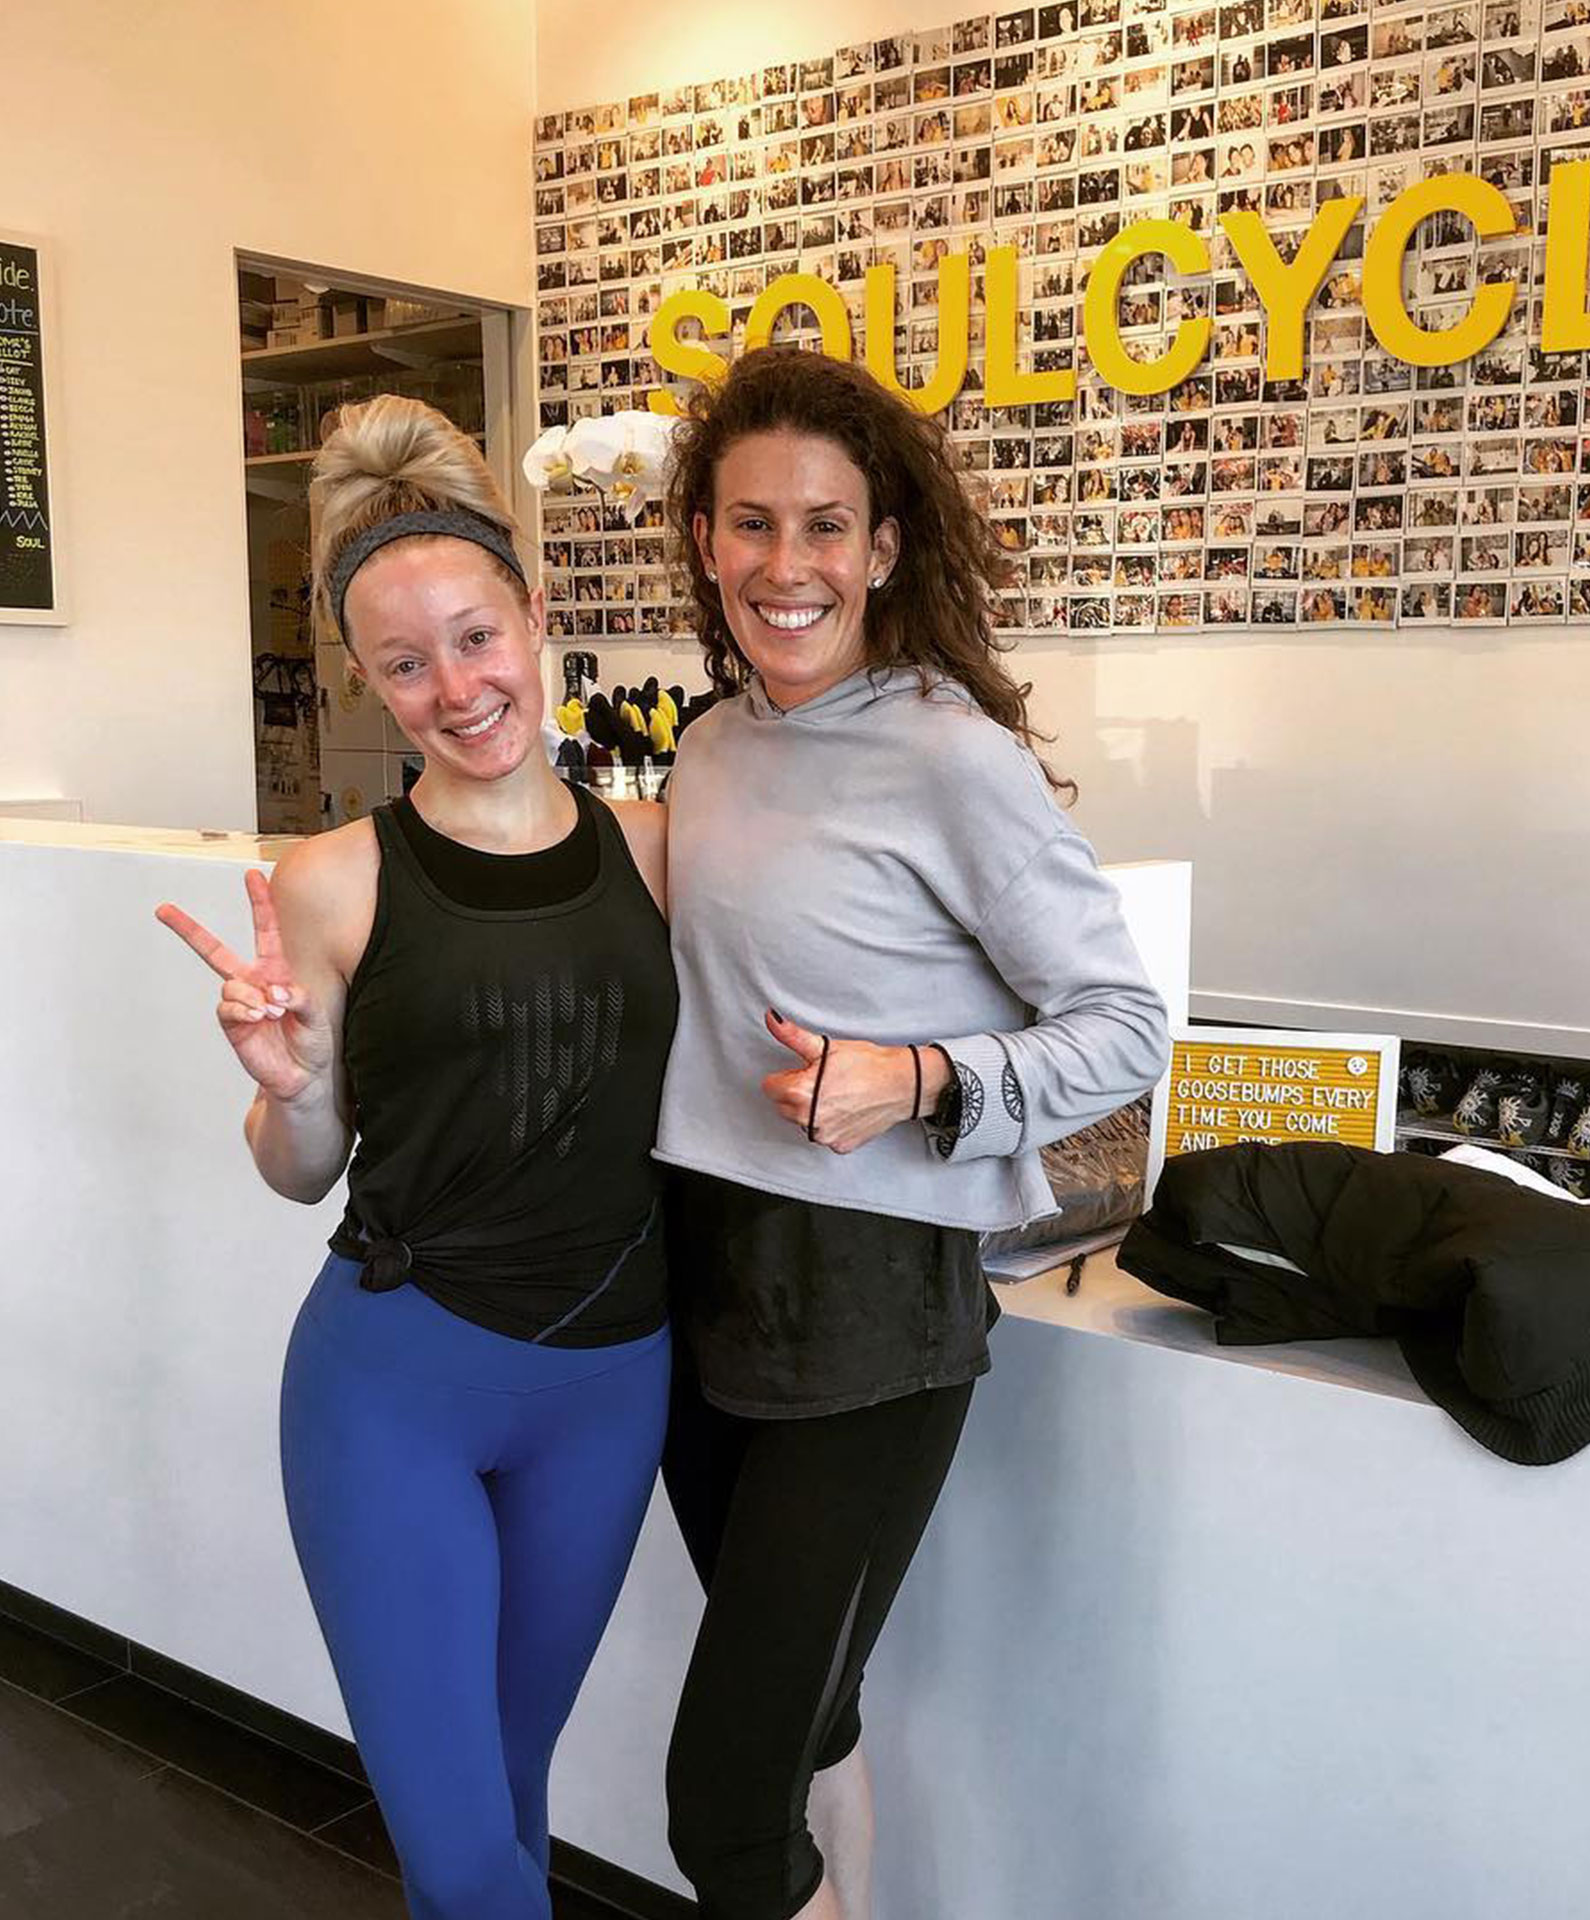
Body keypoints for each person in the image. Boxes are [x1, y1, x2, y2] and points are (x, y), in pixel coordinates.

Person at [654, 346, 1171, 1920]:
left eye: (825, 526)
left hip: (870, 1307)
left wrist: (921, 1076)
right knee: (812, 1721)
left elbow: (1127, 1028)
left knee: (722, 1810)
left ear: (882, 549)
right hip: (697, 1281)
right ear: (703, 541)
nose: (784, 565)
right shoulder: (712, 742)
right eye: (750, 524)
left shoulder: (953, 751)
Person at [156, 397, 674, 1920]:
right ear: (367, 683)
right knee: (466, 1866)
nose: (455, 688)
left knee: (510, 1797)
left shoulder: (657, 846)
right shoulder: (329, 881)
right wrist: (285, 1084)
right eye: (405, 663)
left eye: (473, 637)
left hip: (611, 1382)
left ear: (531, 616)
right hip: (396, 1388)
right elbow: (300, 1170)